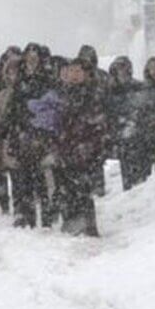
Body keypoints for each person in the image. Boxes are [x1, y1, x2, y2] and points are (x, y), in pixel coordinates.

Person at [53, 59, 105, 236]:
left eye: (78, 71)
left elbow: (98, 122)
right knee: (66, 190)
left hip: (85, 150)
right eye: (71, 71)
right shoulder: (61, 95)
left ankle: (88, 227)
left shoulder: (92, 94)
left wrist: (91, 146)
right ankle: (70, 223)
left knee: (83, 190)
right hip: (65, 149)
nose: (74, 75)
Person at [10, 43, 56, 228]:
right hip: (22, 135)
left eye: (35, 56)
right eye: (28, 56)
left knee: (43, 178)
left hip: (42, 136)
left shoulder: (47, 81)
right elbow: (13, 108)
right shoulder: (19, 82)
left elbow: (52, 107)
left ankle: (46, 216)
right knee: (23, 178)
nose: (31, 60)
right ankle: (26, 215)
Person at [108, 56, 146, 190]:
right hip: (120, 133)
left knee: (140, 166)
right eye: (118, 69)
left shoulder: (139, 86)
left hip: (138, 132)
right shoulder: (110, 90)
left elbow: (143, 107)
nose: (121, 72)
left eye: (123, 68)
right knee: (126, 166)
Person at [0, 58, 23, 214]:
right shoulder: (3, 95)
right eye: (10, 72)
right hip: (8, 139)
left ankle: (24, 208)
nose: (13, 76)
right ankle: (17, 208)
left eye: (16, 72)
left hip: (23, 138)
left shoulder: (26, 91)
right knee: (14, 174)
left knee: (23, 175)